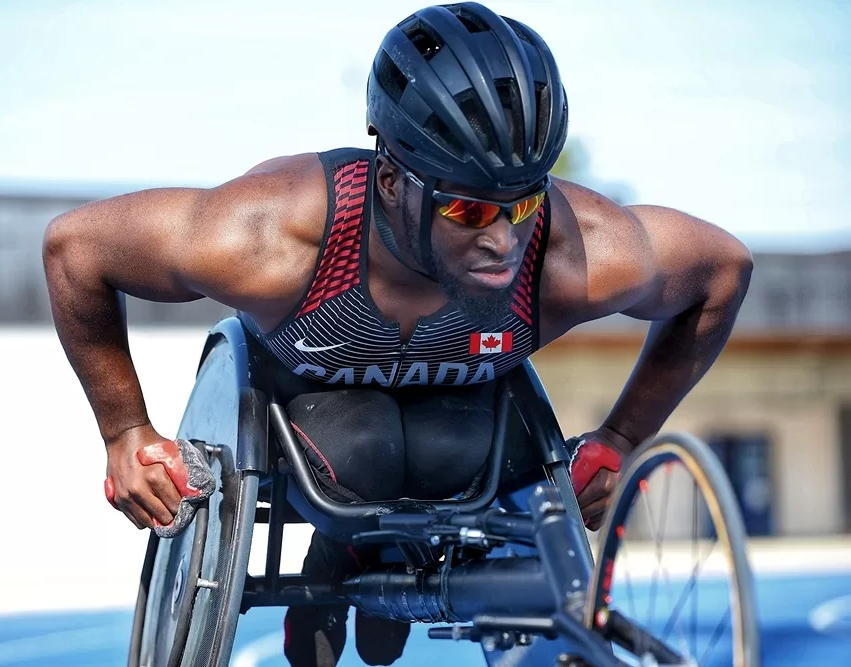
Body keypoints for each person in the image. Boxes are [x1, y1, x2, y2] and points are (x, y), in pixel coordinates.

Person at [42, 3, 753, 665]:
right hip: (312, 416)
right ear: (392, 185)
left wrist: (621, 439)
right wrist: (125, 432)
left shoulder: (571, 254)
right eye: (471, 212)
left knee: (458, 447)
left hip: (465, 415)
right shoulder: (273, 237)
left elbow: (723, 268)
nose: (505, 242)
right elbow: (76, 249)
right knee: (364, 444)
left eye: (525, 202)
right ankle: (344, 545)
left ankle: (358, 551)